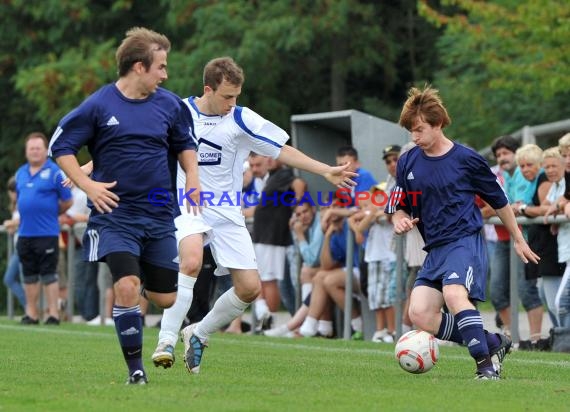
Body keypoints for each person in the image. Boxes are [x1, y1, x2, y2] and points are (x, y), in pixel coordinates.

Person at [176, 56, 357, 375]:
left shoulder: (241, 117)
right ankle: (162, 340)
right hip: (185, 206)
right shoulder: (178, 112)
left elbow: (281, 149)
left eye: (237, 96)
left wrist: (325, 169)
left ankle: (198, 333)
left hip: (226, 211)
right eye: (227, 96)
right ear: (208, 89)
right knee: (177, 273)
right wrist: (91, 167)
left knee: (249, 287)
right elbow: (141, 143)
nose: (233, 103)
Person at [48, 27, 199, 385]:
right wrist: (87, 184)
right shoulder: (99, 105)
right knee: (127, 285)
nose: (165, 74)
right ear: (138, 67)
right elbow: (61, 146)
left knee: (165, 298)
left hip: (160, 215)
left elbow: (185, 145)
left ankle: (145, 276)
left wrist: (192, 175)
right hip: (115, 217)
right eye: (160, 66)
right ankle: (136, 371)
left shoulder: (170, 105)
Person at [387, 85, 539, 380]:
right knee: (418, 314)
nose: (414, 137)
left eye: (419, 130)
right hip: (434, 250)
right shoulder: (408, 160)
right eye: (411, 132)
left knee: (455, 294)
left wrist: (518, 237)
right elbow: (398, 204)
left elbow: (500, 202)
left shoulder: (466, 159)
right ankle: (494, 342)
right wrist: (399, 219)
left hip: (464, 241)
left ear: (438, 123)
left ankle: (486, 366)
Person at [481, 135, 544, 341]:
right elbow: (503, 206)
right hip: (502, 238)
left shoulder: (521, 172)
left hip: (523, 238)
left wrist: (495, 210)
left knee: (526, 289)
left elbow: (511, 207)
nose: (502, 158)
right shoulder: (503, 176)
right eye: (498, 154)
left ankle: (534, 339)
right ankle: (511, 335)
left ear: (516, 154)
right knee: (497, 291)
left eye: (506, 153)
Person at [15, 132, 73, 325]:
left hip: (47, 232)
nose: (34, 151)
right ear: (26, 151)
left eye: (38, 148)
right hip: (24, 233)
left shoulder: (55, 171)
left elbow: (68, 200)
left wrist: (50, 213)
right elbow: (20, 200)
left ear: (45, 150)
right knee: (29, 275)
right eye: (31, 148)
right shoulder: (20, 173)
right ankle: (31, 314)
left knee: (49, 274)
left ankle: (53, 314)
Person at [252, 157, 306, 332]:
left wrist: (295, 206)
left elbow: (299, 184)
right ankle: (264, 313)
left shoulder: (284, 173)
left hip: (273, 235)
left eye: (271, 156)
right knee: (259, 277)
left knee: (268, 280)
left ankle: (270, 319)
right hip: (263, 234)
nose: (270, 159)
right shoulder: (273, 176)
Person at [2, 176, 26, 311]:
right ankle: (29, 307)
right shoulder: (15, 206)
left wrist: (10, 223)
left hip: (25, 245)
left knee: (25, 280)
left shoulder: (24, 202)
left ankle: (31, 309)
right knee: (9, 278)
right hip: (18, 246)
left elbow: (25, 219)